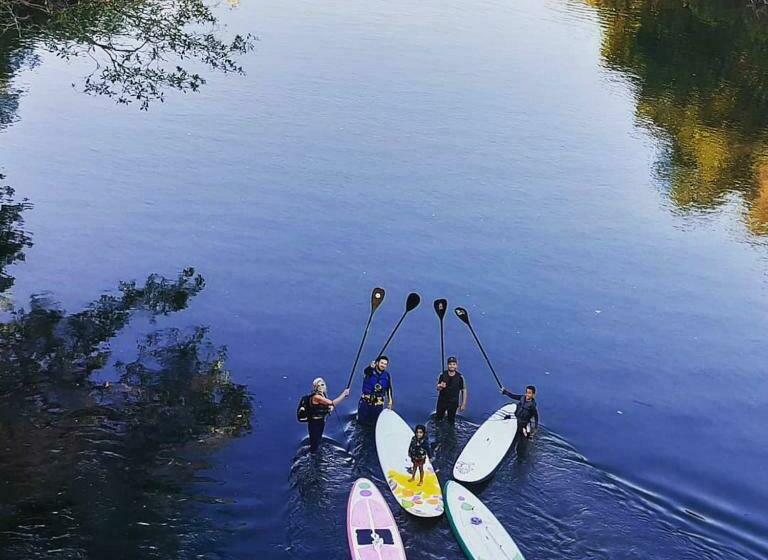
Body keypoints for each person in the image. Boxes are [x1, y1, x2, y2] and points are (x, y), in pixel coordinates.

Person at [307, 378, 350, 452]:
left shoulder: (323, 395)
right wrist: (344, 394)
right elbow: (332, 403)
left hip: (321, 421)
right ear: (315, 388)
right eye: (318, 386)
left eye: (322, 385)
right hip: (314, 423)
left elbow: (329, 407)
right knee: (314, 443)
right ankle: (313, 453)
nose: (320, 387)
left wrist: (329, 409)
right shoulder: (317, 397)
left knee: (318, 439)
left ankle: (316, 451)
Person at [357, 355, 393, 424]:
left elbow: (388, 388)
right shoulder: (370, 372)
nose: (383, 365)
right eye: (382, 363)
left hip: (378, 405)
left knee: (375, 423)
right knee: (361, 423)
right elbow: (366, 371)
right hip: (366, 403)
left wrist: (390, 401)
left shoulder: (387, 375)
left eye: (385, 364)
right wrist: (370, 367)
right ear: (377, 363)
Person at [435, 356, 467, 422]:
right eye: (450, 364)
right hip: (442, 401)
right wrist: (440, 386)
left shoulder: (460, 377)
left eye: (454, 364)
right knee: (438, 419)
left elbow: (464, 390)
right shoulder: (442, 375)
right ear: (447, 365)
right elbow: (437, 388)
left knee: (451, 420)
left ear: (456, 366)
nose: (452, 366)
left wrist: (463, 404)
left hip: (453, 402)